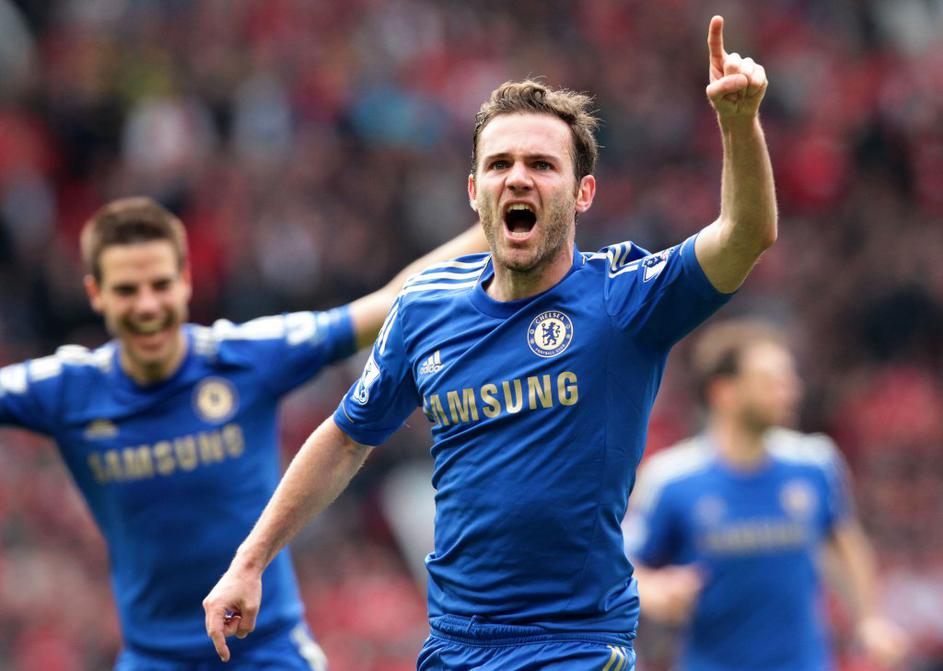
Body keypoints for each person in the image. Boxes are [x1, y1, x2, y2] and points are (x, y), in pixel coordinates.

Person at [204, 16, 775, 670]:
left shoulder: (623, 297)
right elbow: (345, 438)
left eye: (542, 165)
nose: (518, 178)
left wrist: (739, 124)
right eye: (500, 164)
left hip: (577, 645)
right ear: (475, 192)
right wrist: (249, 561)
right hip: (456, 646)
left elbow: (745, 235)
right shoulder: (425, 306)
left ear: (583, 192)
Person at [0, 195, 487, 670]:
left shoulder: (241, 356)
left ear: (185, 280)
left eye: (160, 285)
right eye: (127, 290)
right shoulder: (68, 388)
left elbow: (391, 302)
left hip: (268, 652)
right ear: (96, 294)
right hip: (153, 659)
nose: (147, 305)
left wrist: (494, 227)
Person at [623, 319, 911, 670]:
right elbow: (624, 565)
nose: (790, 391)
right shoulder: (672, 479)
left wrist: (868, 620)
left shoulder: (815, 464)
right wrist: (655, 592)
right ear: (723, 392)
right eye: (770, 381)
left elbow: (843, 542)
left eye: (789, 380)